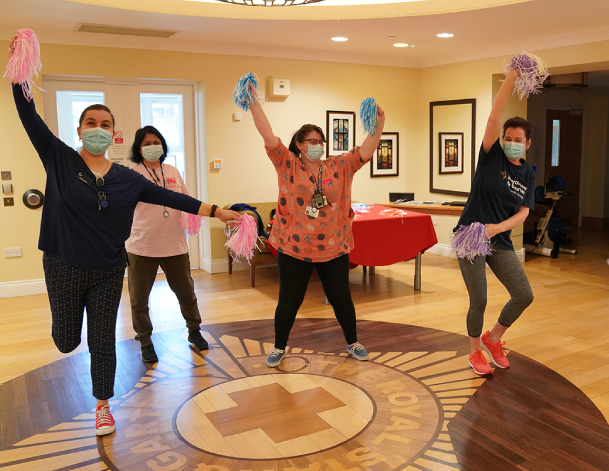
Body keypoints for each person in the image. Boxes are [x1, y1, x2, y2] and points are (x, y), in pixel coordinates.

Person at [8, 37, 241, 437]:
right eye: (91, 124)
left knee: (103, 341)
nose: (98, 130)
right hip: (63, 266)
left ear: (115, 135)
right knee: (66, 342)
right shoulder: (60, 159)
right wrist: (19, 69)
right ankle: (67, 336)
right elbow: (28, 115)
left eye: (106, 125)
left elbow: (173, 196)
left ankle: (103, 405)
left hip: (108, 270)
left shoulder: (126, 179)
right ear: (79, 130)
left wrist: (218, 212)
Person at [246, 82, 385, 367]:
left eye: (320, 141)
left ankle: (353, 342)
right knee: (288, 301)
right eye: (310, 141)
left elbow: (366, 152)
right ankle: (279, 346)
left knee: (342, 300)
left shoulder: (339, 166)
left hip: (334, 247)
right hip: (293, 247)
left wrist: (379, 125)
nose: (316, 145)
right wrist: (253, 103)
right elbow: (268, 135)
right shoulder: (287, 163)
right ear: (299, 144)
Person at [455, 68, 536, 376]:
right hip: (471, 235)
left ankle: (494, 338)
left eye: (518, 139)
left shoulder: (527, 173)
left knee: (524, 295)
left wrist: (498, 228)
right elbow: (493, 117)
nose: (511, 142)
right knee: (480, 298)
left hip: (498, 239)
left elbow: (523, 212)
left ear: (527, 144)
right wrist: (512, 78)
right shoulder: (492, 157)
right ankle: (475, 351)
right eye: (508, 137)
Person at [125, 126, 209, 364]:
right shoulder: (132, 174)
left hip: (175, 244)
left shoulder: (172, 170)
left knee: (186, 293)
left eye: (156, 142)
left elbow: (185, 200)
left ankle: (194, 330)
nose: (152, 146)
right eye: (147, 143)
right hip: (142, 246)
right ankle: (145, 341)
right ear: (139, 148)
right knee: (139, 300)